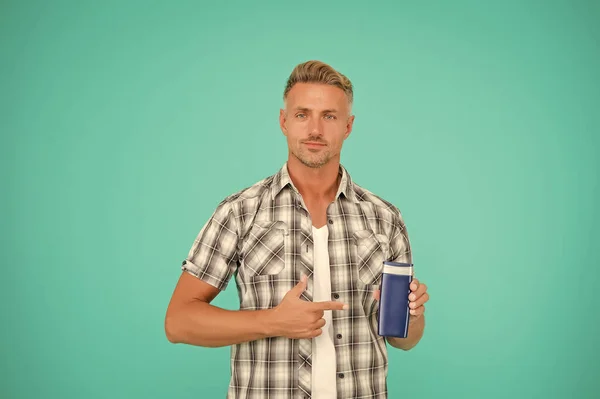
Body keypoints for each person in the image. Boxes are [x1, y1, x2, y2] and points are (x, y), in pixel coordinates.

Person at [164, 60, 430, 399]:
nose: (315, 129)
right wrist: (273, 321)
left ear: (348, 126)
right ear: (284, 121)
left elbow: (403, 339)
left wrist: (413, 316)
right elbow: (178, 321)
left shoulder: (384, 218)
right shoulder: (240, 212)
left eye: (329, 116)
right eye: (303, 114)